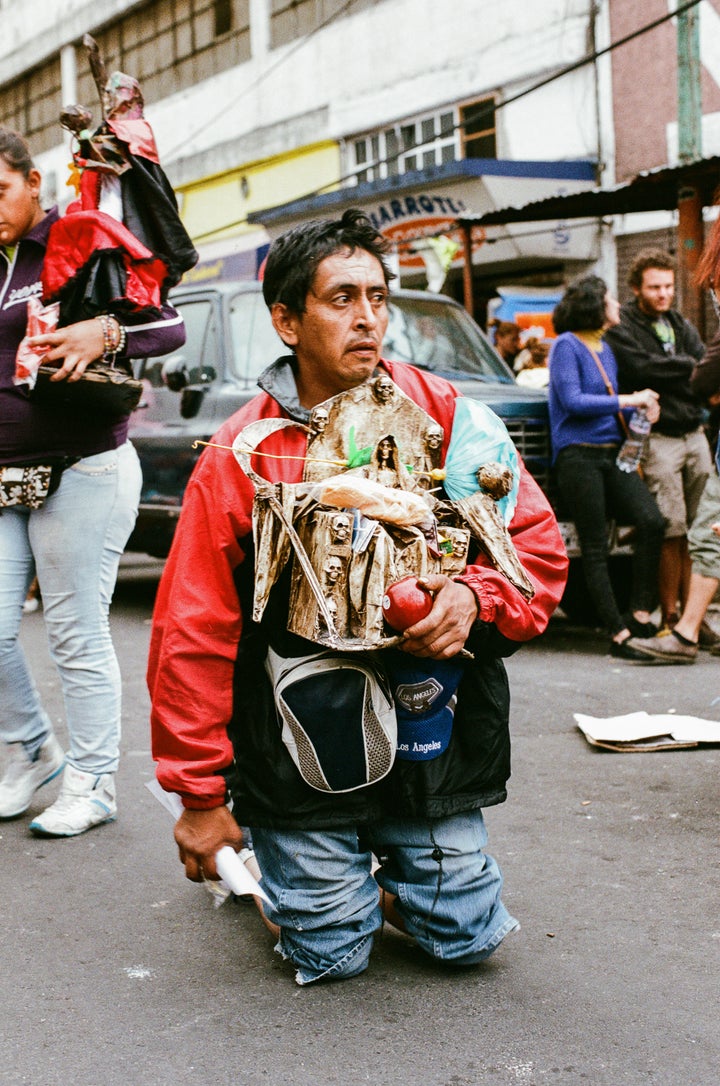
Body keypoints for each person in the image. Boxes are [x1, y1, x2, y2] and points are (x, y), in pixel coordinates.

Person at [148, 208, 568, 986]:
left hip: (428, 732)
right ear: (285, 319)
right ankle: (302, 885)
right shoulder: (245, 453)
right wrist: (200, 795)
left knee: (467, 942)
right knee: (331, 955)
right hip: (298, 741)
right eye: (341, 298)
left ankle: (378, 886)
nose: (368, 317)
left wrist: (474, 598)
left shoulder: (452, 419)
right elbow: (192, 629)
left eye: (379, 296)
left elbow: (536, 552)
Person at [0, 126, 186, 836]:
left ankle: (95, 780)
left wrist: (100, 333)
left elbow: (167, 325)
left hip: (85, 465)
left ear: (33, 183)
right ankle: (35, 752)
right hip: (5, 475)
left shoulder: (82, 235)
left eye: (1, 191)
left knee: (75, 633)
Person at [548, 274, 665, 659]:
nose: (616, 305)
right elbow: (573, 401)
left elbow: (611, 404)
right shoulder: (567, 346)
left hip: (611, 453)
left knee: (651, 521)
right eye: (611, 299)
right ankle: (617, 633)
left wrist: (643, 414)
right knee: (595, 543)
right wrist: (631, 400)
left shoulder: (607, 349)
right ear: (594, 305)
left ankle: (639, 611)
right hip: (577, 456)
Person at [604, 249, 713, 638]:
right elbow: (643, 369)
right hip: (658, 437)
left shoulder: (678, 321)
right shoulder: (623, 327)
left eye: (668, 287)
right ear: (636, 289)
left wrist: (682, 368)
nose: (664, 294)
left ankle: (693, 616)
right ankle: (670, 616)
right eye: (655, 287)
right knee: (671, 527)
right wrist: (686, 367)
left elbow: (703, 364)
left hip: (693, 432)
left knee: (702, 526)